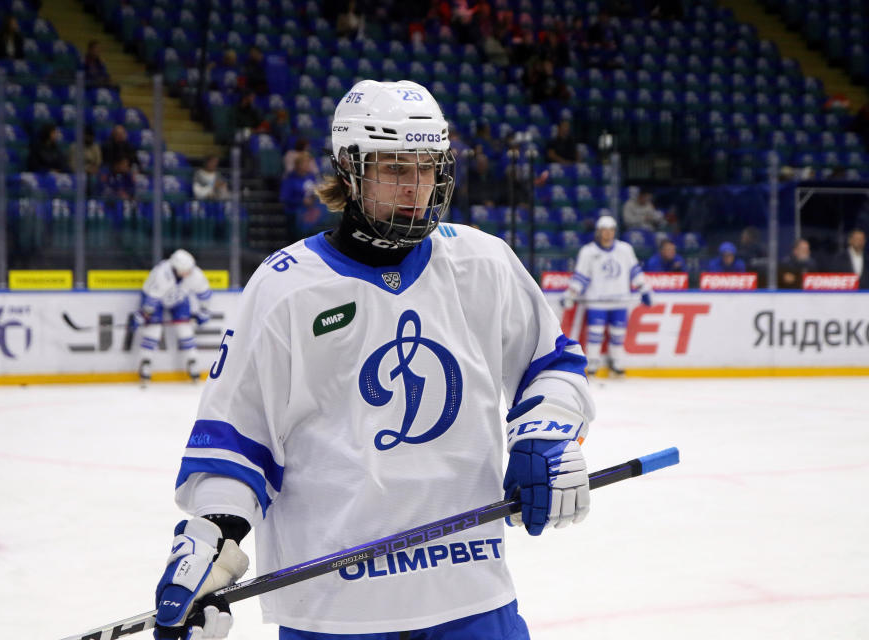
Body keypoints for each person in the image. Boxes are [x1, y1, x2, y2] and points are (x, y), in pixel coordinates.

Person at [151, 79, 596, 640]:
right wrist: (212, 543)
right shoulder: (286, 289)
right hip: (334, 613)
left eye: (427, 167)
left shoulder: (484, 264)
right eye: (394, 169)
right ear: (349, 169)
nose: (415, 188)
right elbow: (239, 440)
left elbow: (553, 364)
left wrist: (546, 432)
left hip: (473, 595)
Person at [563, 215, 653, 376]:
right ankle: (593, 364)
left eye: (611, 230)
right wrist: (571, 293)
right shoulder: (588, 251)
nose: (608, 233)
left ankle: (616, 363)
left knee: (618, 333)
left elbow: (634, 270)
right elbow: (581, 276)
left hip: (620, 299)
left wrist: (643, 288)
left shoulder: (625, 249)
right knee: (595, 333)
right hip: (597, 301)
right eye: (604, 230)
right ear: (598, 231)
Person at [130, 249, 212, 385]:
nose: (189, 272)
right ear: (176, 268)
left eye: (190, 269)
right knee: (153, 331)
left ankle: (192, 362)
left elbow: (205, 294)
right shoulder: (162, 274)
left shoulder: (195, 273)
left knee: (184, 329)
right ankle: (145, 363)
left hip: (178, 298)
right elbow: (151, 301)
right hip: (155, 299)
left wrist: (204, 311)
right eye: (185, 270)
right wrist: (143, 315)